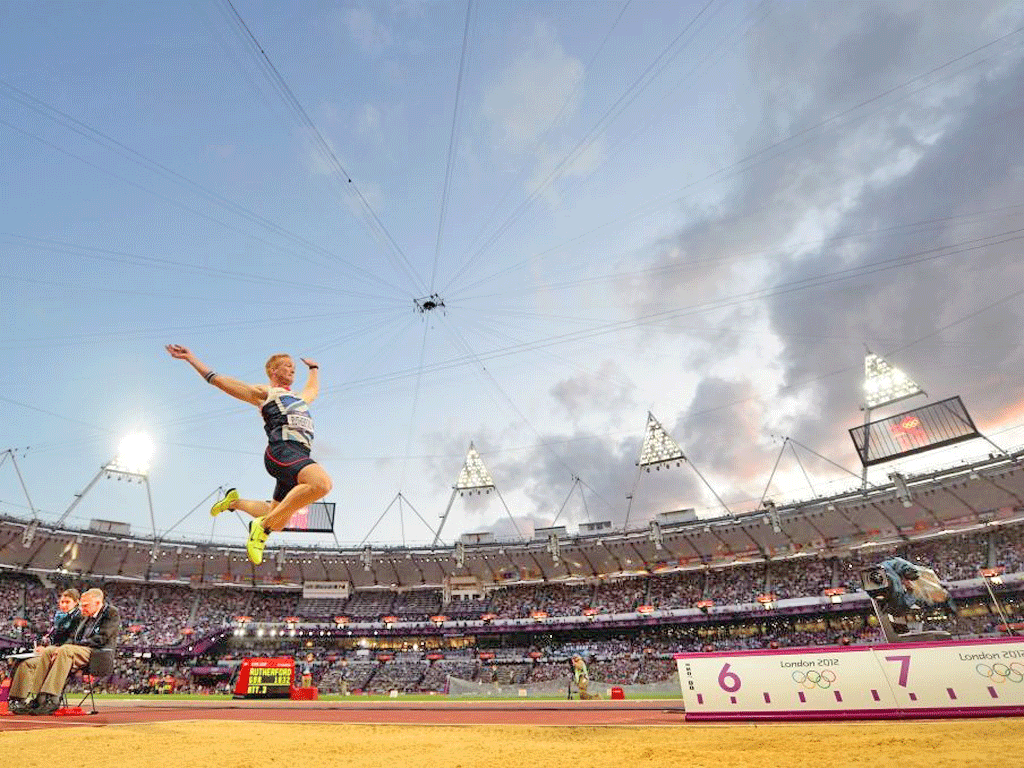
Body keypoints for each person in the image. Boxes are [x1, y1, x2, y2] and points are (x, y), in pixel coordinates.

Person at [165, 345, 332, 565]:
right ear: (273, 371)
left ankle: (234, 502)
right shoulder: (266, 393)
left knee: (279, 519)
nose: (292, 369)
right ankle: (262, 527)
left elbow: (312, 391)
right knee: (321, 484)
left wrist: (314, 368)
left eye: (293, 366)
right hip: (282, 451)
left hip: (299, 455)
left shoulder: (298, 399)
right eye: (287, 366)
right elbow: (221, 381)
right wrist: (191, 359)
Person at [8, 588, 120, 715]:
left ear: (98, 603)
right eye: (82, 605)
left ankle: (53, 699)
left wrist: (70, 646)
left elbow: (101, 639)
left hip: (97, 652)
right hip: (78, 649)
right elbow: (73, 637)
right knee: (49, 651)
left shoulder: (111, 613)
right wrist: (59, 647)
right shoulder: (86, 615)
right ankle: (39, 697)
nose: (82, 608)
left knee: (65, 650)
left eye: (85, 605)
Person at [7, 588, 82, 714]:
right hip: (52, 652)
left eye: (67, 602)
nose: (63, 605)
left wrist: (50, 649)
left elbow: (73, 640)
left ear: (76, 602)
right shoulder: (62, 617)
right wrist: (45, 644)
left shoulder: (79, 618)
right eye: (62, 602)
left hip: (64, 655)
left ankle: (23, 700)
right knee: (21, 662)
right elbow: (52, 637)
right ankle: (16, 699)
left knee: (26, 664)